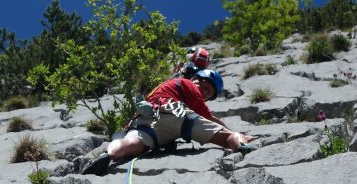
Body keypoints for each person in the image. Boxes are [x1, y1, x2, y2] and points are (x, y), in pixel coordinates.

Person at [81, 69, 256, 176]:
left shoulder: (164, 87)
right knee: (227, 137)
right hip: (178, 113)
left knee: (129, 142)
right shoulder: (187, 84)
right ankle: (241, 143)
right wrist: (230, 130)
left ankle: (110, 154)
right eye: (205, 88)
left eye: (209, 94)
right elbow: (208, 117)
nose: (204, 93)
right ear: (196, 80)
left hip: (147, 120)